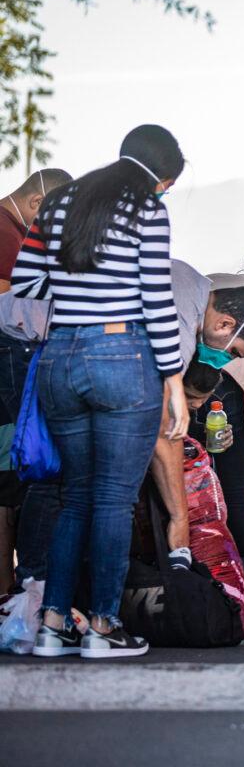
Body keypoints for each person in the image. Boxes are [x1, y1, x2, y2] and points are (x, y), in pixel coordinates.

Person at [13, 124, 188, 658]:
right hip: (123, 355)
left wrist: (75, 291)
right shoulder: (147, 210)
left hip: (61, 358)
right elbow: (156, 300)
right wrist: (174, 380)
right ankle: (105, 628)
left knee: (75, 497)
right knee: (113, 499)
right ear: (161, 176)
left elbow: (27, 282)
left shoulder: (61, 201)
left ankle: (53, 623)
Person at [150, 260, 244, 575]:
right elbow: (165, 422)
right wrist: (180, 518)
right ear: (224, 325)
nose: (227, 362)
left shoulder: (192, 283)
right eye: (235, 355)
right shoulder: (182, 327)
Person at [0, 168, 72, 593]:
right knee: (11, 485)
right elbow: (11, 302)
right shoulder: (5, 232)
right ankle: (9, 591)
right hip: (8, 362)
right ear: (36, 204)